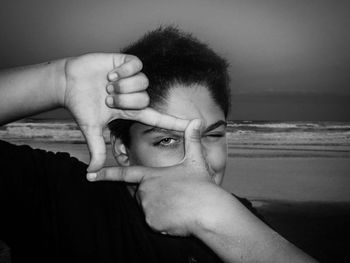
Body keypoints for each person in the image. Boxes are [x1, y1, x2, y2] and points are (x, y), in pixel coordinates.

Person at [0, 26, 317, 262]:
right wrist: (58, 82)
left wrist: (221, 221)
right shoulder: (61, 198)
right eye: (167, 140)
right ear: (124, 149)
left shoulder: (238, 222)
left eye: (213, 135)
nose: (202, 162)